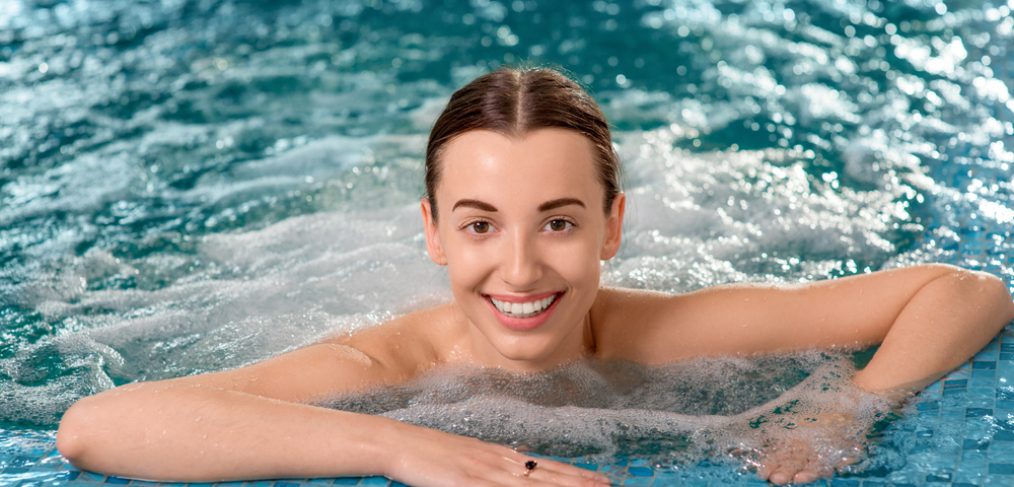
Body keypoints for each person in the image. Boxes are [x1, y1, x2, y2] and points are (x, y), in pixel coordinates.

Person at [55, 64, 1014, 487]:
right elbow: (96, 425)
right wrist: (400, 449)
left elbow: (967, 289)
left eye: (559, 222)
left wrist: (847, 405)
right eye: (479, 225)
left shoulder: (667, 332)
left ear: (614, 228)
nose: (518, 267)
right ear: (431, 234)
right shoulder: (379, 365)